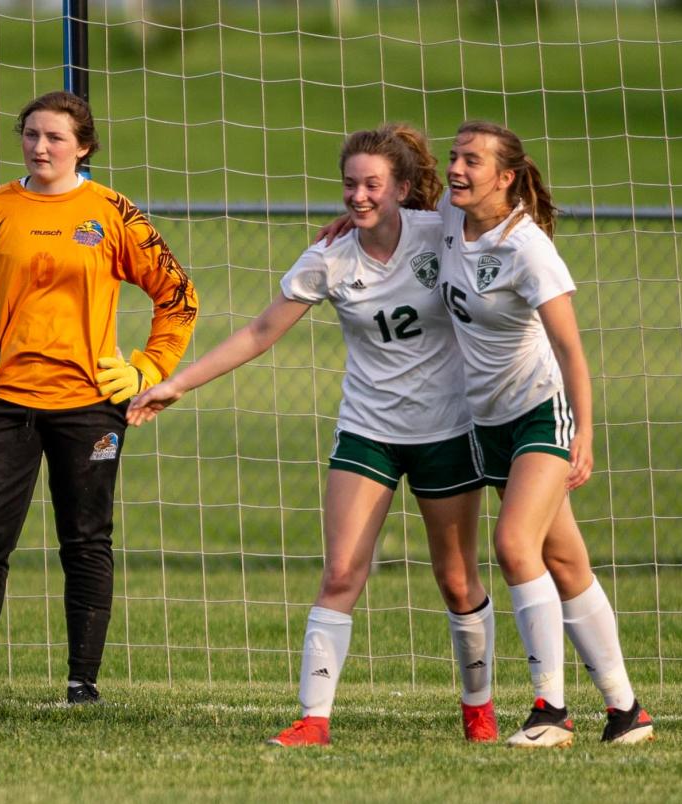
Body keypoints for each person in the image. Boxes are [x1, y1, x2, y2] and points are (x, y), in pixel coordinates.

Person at [129, 125, 498, 747]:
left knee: (457, 579)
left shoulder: (441, 232)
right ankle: (314, 718)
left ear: (403, 188)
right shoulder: (329, 257)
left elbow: (493, 208)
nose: (358, 195)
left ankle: (479, 711)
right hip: (368, 431)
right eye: (350, 183)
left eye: (372, 184)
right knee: (340, 573)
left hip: (447, 430)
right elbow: (259, 332)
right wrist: (179, 383)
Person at [0, 89, 198, 719]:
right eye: (31, 134)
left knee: (87, 540)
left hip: (91, 407)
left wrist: (147, 369)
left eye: (56, 138)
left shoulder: (113, 211)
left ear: (84, 146)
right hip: (2, 404)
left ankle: (82, 686)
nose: (41, 147)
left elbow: (179, 297)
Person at [437, 120, 653, 746]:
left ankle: (550, 710)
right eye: (453, 156)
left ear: (505, 178)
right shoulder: (450, 221)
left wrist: (583, 431)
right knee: (563, 558)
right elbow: (395, 222)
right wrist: (349, 224)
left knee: (512, 544)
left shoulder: (528, 248)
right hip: (489, 424)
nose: (456, 168)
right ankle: (626, 711)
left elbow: (569, 346)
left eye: (471, 161)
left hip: (540, 413)